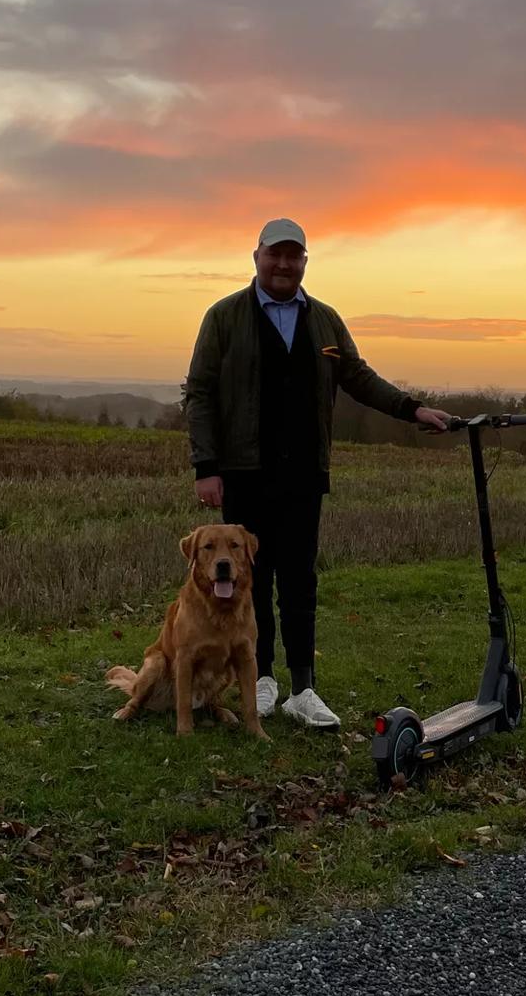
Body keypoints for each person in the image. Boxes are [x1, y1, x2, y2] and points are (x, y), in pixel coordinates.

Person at [184, 218, 453, 731]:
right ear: (256, 257)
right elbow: (199, 393)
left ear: (304, 263)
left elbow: (358, 376)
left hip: (305, 473)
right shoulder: (223, 318)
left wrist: (413, 409)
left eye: (294, 256)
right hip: (245, 470)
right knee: (246, 580)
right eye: (275, 255)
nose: (284, 265)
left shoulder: (324, 321)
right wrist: (206, 467)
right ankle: (260, 681)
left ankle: (303, 688)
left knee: (300, 579)